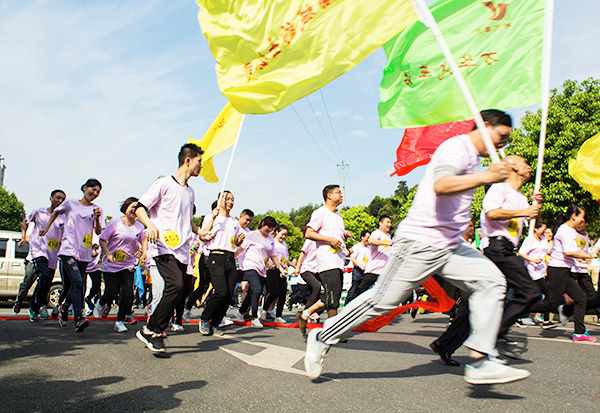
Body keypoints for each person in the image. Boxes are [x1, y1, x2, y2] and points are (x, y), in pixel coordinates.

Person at [304, 110, 531, 385]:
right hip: (420, 243)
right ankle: (323, 335)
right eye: (501, 136)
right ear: (484, 127)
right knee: (382, 302)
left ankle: (482, 359)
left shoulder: (473, 159)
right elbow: (442, 185)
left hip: (450, 246)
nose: (502, 144)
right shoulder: (456, 148)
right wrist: (487, 177)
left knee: (492, 282)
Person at [135, 143, 205, 353]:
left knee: (180, 291)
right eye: (199, 161)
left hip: (183, 251)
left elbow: (187, 220)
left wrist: (199, 232)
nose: (201, 166)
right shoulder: (164, 183)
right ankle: (153, 328)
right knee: (175, 285)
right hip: (164, 246)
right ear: (188, 160)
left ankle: (153, 332)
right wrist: (150, 225)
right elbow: (140, 207)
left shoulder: (190, 192)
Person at [41, 179, 104, 332]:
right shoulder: (70, 203)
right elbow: (55, 212)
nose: (94, 193)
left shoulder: (97, 209)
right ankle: (79, 317)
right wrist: (48, 228)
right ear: (84, 188)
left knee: (76, 284)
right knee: (77, 280)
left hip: (84, 252)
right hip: (68, 249)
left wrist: (96, 218)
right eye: (92, 189)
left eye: (98, 192)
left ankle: (64, 308)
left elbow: (98, 232)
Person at [528, 205, 596, 342]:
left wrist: (583, 257)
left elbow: (572, 252)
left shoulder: (569, 230)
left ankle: (579, 333)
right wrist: (589, 255)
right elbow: (569, 251)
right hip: (558, 270)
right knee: (551, 304)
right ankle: (518, 306)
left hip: (564, 270)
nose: (582, 220)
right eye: (582, 217)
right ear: (574, 217)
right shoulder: (565, 230)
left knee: (581, 299)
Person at [95, 197, 147, 333]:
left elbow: (144, 240)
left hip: (127, 264)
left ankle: (120, 321)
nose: (134, 210)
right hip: (111, 264)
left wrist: (141, 251)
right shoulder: (115, 222)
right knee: (112, 292)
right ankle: (101, 303)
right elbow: (102, 239)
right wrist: (108, 254)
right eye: (132, 207)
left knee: (128, 292)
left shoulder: (139, 226)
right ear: (126, 207)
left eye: (138, 208)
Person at [15, 189, 66, 320]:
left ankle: (35, 307)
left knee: (46, 281)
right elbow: (25, 221)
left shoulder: (63, 218)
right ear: (50, 198)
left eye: (62, 199)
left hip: (52, 256)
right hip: (37, 252)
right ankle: (20, 300)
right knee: (33, 279)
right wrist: (22, 238)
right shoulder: (39, 212)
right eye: (58, 198)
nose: (60, 201)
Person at [199, 191, 245, 336]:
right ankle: (205, 318)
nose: (230, 202)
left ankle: (216, 323)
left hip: (230, 258)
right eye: (227, 199)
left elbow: (235, 242)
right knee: (221, 291)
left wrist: (239, 241)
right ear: (219, 200)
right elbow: (203, 236)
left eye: (233, 199)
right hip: (216, 256)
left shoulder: (234, 221)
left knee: (229, 294)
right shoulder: (211, 217)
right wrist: (212, 218)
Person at [235, 216, 285, 328]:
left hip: (262, 268)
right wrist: (232, 258)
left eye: (272, 228)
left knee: (253, 292)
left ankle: (241, 312)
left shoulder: (271, 239)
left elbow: (273, 255)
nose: (270, 230)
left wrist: (280, 268)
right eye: (268, 227)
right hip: (249, 265)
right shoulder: (252, 235)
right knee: (257, 289)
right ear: (262, 224)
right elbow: (241, 248)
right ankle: (254, 317)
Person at [517, 220, 553, 328]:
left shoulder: (543, 240)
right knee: (548, 293)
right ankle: (545, 320)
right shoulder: (530, 239)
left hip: (542, 270)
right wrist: (532, 260)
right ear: (536, 229)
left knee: (533, 295)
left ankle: (520, 316)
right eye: (543, 229)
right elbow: (521, 253)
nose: (544, 231)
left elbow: (548, 251)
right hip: (532, 271)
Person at [347, 216, 393, 301]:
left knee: (386, 292)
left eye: (390, 222)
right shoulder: (377, 233)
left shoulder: (388, 235)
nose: (389, 224)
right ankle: (350, 305)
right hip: (373, 270)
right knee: (361, 290)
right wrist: (385, 243)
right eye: (387, 222)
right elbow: (371, 241)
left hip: (384, 271)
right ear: (380, 223)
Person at [262, 224, 290, 323]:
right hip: (272, 269)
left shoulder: (284, 245)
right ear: (277, 232)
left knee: (282, 293)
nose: (283, 237)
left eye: (285, 235)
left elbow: (286, 259)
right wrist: (269, 263)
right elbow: (265, 254)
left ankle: (278, 315)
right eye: (282, 234)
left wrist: (294, 267)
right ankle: (265, 309)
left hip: (282, 270)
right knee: (274, 292)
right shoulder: (271, 242)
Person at [345, 230, 370, 305]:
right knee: (354, 288)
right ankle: (347, 304)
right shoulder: (357, 247)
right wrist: (361, 266)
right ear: (362, 237)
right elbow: (353, 258)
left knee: (363, 289)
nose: (368, 239)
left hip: (365, 271)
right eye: (367, 237)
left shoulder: (369, 248)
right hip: (357, 271)